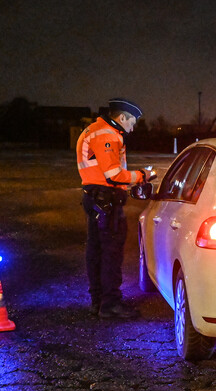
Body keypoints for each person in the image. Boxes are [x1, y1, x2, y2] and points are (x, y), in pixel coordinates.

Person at [76, 98, 154, 318]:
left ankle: (98, 301)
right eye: (133, 121)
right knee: (111, 252)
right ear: (122, 117)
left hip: (94, 199)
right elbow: (113, 175)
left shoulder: (95, 130)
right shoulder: (107, 135)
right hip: (106, 201)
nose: (134, 126)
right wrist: (143, 176)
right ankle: (110, 304)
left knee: (96, 251)